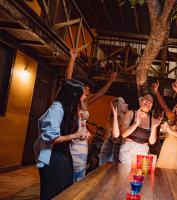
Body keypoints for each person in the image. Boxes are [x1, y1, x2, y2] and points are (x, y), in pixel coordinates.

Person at [65, 48, 117, 181]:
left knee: (79, 174)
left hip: (82, 141)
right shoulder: (72, 100)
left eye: (88, 90)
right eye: (85, 89)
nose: (87, 92)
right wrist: (72, 58)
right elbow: (68, 81)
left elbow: (100, 93)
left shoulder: (86, 102)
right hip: (70, 137)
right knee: (67, 171)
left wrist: (111, 81)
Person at [34, 79, 91, 200]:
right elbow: (51, 139)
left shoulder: (70, 109)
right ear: (74, 95)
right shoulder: (57, 109)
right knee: (53, 191)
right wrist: (75, 135)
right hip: (52, 155)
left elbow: (67, 132)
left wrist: (81, 134)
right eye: (82, 93)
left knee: (65, 189)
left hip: (64, 153)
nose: (84, 96)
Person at [119, 94, 161, 165]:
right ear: (140, 102)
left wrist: (154, 127)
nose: (148, 101)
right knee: (124, 174)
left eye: (151, 101)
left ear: (151, 106)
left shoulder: (153, 120)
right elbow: (123, 134)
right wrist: (135, 124)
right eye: (146, 98)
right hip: (128, 151)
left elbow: (152, 142)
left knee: (138, 175)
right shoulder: (131, 113)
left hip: (143, 152)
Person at [98, 97, 128, 166]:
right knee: (104, 173)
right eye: (123, 103)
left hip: (119, 151)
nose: (127, 104)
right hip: (110, 150)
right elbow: (117, 135)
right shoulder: (113, 120)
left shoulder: (127, 118)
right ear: (118, 106)